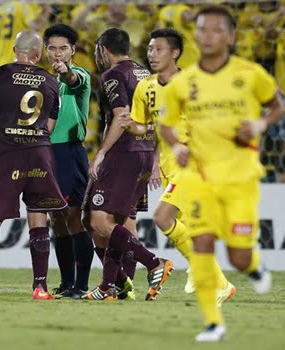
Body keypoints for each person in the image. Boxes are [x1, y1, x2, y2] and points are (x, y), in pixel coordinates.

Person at [160, 6, 285, 342]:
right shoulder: (183, 83)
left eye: (216, 30)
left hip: (240, 177)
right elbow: (166, 124)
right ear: (195, 36)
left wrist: (260, 123)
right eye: (202, 30)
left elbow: (277, 106)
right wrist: (177, 146)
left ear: (230, 36)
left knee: (238, 255)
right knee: (201, 244)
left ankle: (253, 266)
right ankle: (213, 323)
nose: (208, 36)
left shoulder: (250, 73)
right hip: (200, 176)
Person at [119, 28, 236, 304]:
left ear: (175, 53)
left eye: (159, 49)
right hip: (171, 163)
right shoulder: (145, 87)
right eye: (149, 49)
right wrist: (129, 125)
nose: (152, 54)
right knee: (185, 226)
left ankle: (216, 281)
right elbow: (144, 126)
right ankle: (203, 272)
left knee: (163, 218)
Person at [0, 30, 66, 301]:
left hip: (9, 153)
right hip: (40, 152)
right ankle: (40, 286)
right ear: (38, 53)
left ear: (14, 48)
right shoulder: (50, 81)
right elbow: (50, 126)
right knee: (38, 214)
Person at [83, 28, 173, 301]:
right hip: (144, 152)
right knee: (120, 222)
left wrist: (101, 153)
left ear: (103, 50)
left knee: (95, 218)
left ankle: (154, 262)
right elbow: (162, 119)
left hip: (123, 154)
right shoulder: (148, 75)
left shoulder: (113, 75)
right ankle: (112, 285)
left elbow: (121, 116)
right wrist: (155, 159)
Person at [42, 24, 93, 299]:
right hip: (46, 151)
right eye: (52, 48)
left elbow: (75, 80)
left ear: (73, 50)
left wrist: (67, 73)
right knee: (56, 218)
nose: (57, 54)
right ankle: (66, 282)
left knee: (73, 215)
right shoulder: (43, 79)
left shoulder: (80, 74)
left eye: (63, 48)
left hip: (69, 151)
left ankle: (82, 285)